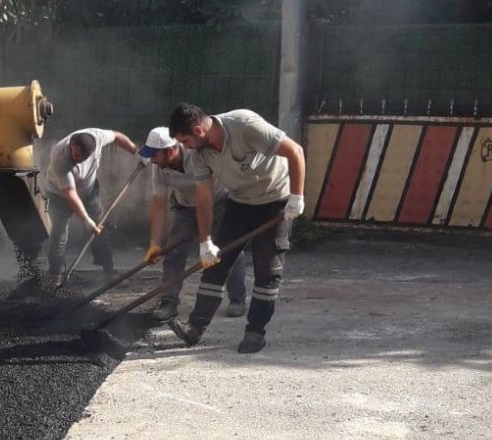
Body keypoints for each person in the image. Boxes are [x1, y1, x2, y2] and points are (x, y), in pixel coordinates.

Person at [166, 104, 306, 353]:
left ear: (199, 130)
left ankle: (255, 332)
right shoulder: (199, 155)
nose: (185, 147)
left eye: (185, 140)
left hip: (276, 201)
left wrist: (296, 197)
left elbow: (295, 151)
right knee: (216, 265)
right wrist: (205, 241)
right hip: (240, 202)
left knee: (267, 270)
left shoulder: (245, 125)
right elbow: (205, 199)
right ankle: (194, 329)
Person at [138, 127, 247, 321]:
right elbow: (158, 203)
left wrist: (205, 242)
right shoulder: (160, 169)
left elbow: (205, 200)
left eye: (154, 155)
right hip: (185, 207)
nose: (152, 160)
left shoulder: (197, 156)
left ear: (170, 150)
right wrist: (155, 242)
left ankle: (237, 299)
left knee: (229, 248)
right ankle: (168, 302)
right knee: (173, 253)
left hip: (217, 202)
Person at [45, 128, 143, 286]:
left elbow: (118, 137)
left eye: (83, 157)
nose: (78, 159)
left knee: (100, 227)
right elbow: (70, 194)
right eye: (76, 155)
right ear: (72, 144)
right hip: (59, 195)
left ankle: (109, 272)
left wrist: (137, 153)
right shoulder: (59, 157)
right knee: (59, 234)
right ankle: (55, 276)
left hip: (89, 191)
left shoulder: (97, 137)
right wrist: (86, 221)